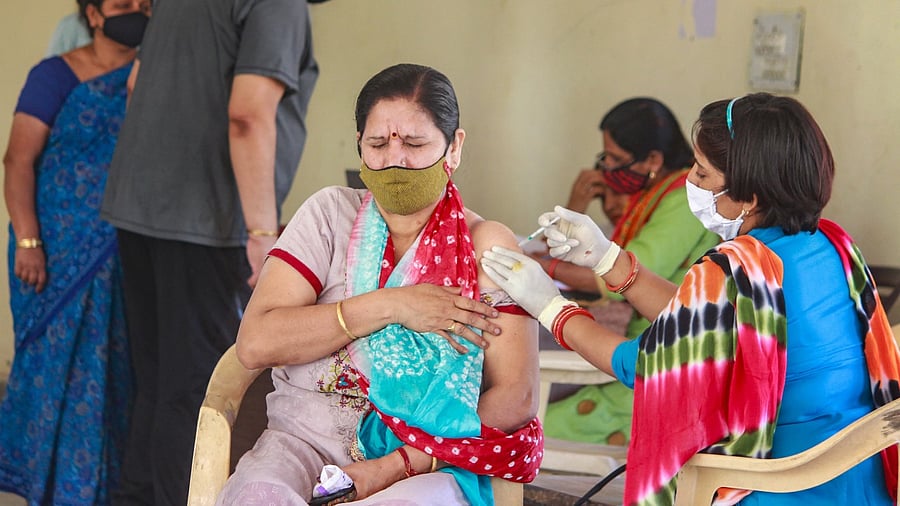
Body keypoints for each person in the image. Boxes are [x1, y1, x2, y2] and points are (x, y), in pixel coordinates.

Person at [482, 93, 899, 505]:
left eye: (702, 175)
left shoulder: (735, 267)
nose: (691, 184)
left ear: (750, 198)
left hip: (777, 488)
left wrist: (549, 307)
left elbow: (641, 364)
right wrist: (607, 258)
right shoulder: (830, 246)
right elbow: (698, 322)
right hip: (858, 480)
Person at [216, 63, 543, 506]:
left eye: (414, 143)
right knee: (258, 496)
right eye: (377, 143)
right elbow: (255, 343)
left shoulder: (486, 247)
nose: (394, 160)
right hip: (303, 443)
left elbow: (516, 397)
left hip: (426, 460)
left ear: (454, 147)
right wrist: (390, 306)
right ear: (359, 147)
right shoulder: (329, 216)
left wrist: (397, 465)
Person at [99, 0, 318, 503]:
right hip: (205, 223)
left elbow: (136, 87)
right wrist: (264, 233)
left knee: (155, 384)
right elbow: (248, 114)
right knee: (201, 396)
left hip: (139, 211)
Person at [0, 0, 151, 504]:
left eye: (143, 3)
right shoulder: (54, 75)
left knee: (114, 377)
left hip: (122, 256)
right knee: (48, 376)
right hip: (53, 253)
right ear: (91, 14)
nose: (135, 10)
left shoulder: (152, 76)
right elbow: (18, 160)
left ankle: (104, 491)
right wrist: (28, 240)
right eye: (120, 4)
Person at [533, 98, 719, 446]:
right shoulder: (653, 195)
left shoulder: (683, 201)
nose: (607, 168)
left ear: (653, 160)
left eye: (617, 160)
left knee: (528, 422)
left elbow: (621, 276)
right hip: (639, 347)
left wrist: (541, 268)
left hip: (664, 358)